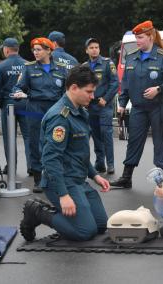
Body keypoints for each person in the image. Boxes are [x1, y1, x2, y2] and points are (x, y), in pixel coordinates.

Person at [19, 65, 111, 242]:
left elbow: (79, 152)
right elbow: (50, 160)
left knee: (101, 225)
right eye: (89, 91)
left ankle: (70, 211)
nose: (93, 96)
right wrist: (63, 195)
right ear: (74, 88)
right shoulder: (60, 117)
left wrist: (95, 175)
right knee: (86, 231)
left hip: (78, 179)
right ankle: (37, 212)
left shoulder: (79, 111)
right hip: (60, 182)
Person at [110, 20, 163, 189]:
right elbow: (125, 83)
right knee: (133, 141)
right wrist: (121, 103)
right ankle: (126, 178)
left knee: (160, 143)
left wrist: (158, 89)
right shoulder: (131, 57)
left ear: (150, 36)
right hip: (138, 109)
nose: (138, 41)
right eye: (136, 38)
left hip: (159, 107)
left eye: (140, 37)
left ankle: (160, 181)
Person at [12, 37, 68, 193]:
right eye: (34, 50)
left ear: (49, 50)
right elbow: (18, 87)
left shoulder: (61, 68)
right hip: (35, 108)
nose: (35, 53)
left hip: (56, 108)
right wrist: (17, 92)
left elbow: (67, 91)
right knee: (36, 143)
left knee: (57, 141)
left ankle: (56, 176)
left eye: (39, 50)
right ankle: (38, 179)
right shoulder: (29, 68)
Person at [0, 38, 31, 176]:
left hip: (8, 104)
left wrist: (2, 103)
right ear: (18, 49)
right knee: (29, 136)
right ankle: (32, 166)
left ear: (6, 49)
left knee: (9, 137)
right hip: (26, 104)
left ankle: (12, 166)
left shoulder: (1, 67)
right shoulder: (28, 64)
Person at [83, 38, 118, 174]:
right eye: (91, 47)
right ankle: (100, 163)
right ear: (87, 50)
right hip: (90, 106)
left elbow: (115, 83)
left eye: (96, 47)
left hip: (104, 105)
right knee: (95, 134)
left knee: (106, 134)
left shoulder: (107, 63)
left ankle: (110, 164)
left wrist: (105, 98)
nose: (94, 49)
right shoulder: (84, 66)